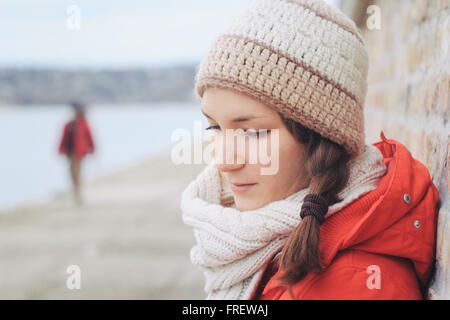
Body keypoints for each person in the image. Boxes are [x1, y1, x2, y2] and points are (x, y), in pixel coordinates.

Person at [180, 0, 440, 300]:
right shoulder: (252, 244)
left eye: (253, 133)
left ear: (322, 139)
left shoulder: (357, 286)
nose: (224, 162)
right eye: (215, 127)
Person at [58, 101, 95, 205]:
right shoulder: (69, 124)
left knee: (76, 171)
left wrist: (92, 148)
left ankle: (77, 191)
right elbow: (64, 138)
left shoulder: (84, 124)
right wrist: (61, 149)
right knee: (72, 172)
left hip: (79, 152)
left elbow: (90, 137)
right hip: (70, 152)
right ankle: (76, 190)